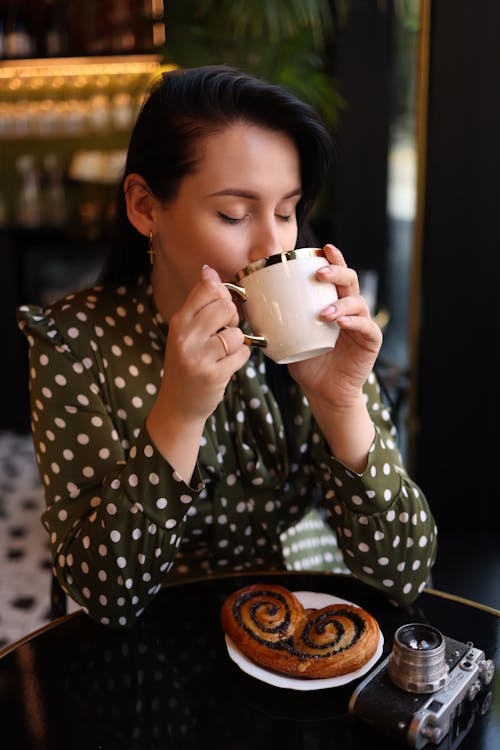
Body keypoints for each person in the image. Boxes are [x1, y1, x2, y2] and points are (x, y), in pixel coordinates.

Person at [18, 65, 437, 629]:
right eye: (233, 214)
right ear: (145, 207)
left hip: (296, 640)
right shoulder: (74, 343)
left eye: (287, 212)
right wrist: (179, 412)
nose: (272, 245)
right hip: (157, 649)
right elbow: (107, 597)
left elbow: (406, 573)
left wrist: (341, 402)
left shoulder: (309, 336)